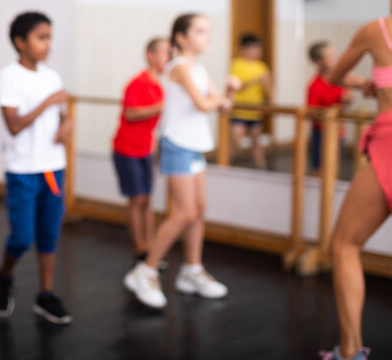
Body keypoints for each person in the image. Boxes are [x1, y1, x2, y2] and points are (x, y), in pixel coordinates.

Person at [123, 13, 238, 309]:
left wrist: (228, 95)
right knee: (184, 213)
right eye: (200, 31)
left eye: (208, 30)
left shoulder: (199, 70)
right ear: (182, 38)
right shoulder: (180, 67)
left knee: (198, 210)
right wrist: (220, 99)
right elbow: (205, 104)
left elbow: (221, 105)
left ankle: (192, 270)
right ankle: (145, 271)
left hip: (195, 147)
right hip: (177, 146)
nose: (208, 35)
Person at [319, 1, 392, 359]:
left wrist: (367, 83)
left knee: (344, 244)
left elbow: (334, 76)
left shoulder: (378, 29)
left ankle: (349, 352)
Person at [0, 11, 73, 325]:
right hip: (23, 170)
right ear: (20, 42)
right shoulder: (9, 76)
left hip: (53, 167)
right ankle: (6, 274)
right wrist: (48, 103)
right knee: (22, 237)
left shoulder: (52, 77)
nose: (47, 44)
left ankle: (46, 294)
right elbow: (14, 125)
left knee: (49, 235)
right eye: (41, 37)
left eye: (49, 37)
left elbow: (62, 116)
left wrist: (65, 124)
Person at [112, 37, 169, 265]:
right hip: (127, 149)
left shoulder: (161, 86)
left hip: (146, 150)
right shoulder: (137, 82)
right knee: (137, 200)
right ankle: (140, 251)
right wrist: (161, 106)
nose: (168, 58)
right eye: (165, 52)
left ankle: (150, 248)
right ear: (150, 55)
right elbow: (131, 114)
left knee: (147, 200)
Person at [306, 41, 368, 176]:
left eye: (335, 56)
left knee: (334, 165)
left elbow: (348, 99)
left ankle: (331, 190)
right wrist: (330, 113)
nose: (335, 60)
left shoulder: (342, 79)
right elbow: (312, 112)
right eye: (330, 58)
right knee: (320, 166)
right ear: (318, 62)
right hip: (322, 132)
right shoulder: (315, 85)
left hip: (338, 131)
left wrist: (348, 100)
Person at [229, 34, 273, 169]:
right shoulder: (237, 64)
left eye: (257, 49)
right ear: (243, 50)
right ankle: (224, 165)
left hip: (256, 112)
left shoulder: (262, 66)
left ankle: (261, 168)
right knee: (235, 141)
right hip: (239, 111)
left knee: (256, 142)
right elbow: (238, 86)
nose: (254, 52)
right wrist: (256, 80)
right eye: (251, 49)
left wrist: (271, 101)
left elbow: (268, 87)